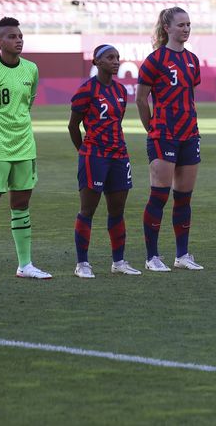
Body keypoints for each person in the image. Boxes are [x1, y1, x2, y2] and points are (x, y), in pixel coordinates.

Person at [0, 16, 51, 282]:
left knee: (22, 204)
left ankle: (25, 264)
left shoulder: (32, 69)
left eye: (20, 36)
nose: (18, 40)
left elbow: (28, 105)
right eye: (12, 36)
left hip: (25, 147)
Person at [136, 7, 204, 272]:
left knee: (184, 198)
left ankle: (182, 255)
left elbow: (188, 95)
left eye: (188, 24)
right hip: (164, 134)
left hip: (189, 134)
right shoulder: (155, 60)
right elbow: (141, 99)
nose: (186, 29)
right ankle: (152, 257)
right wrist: (151, 128)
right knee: (159, 196)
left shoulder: (192, 60)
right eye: (181, 25)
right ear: (167, 28)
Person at [69, 44, 142, 278]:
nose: (116, 61)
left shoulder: (121, 91)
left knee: (117, 211)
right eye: (110, 57)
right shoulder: (86, 90)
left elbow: (116, 122)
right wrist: (84, 151)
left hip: (119, 155)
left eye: (117, 57)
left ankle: (118, 261)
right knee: (87, 210)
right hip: (94, 156)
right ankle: (82, 264)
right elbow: (73, 125)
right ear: (97, 62)